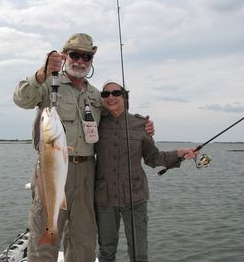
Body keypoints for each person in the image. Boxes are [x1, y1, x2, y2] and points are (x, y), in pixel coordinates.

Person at [13, 33, 154, 262]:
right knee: (44, 235)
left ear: (91, 62)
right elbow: (21, 99)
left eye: (86, 57)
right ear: (65, 56)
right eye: (75, 55)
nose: (80, 61)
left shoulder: (95, 95)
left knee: (84, 241)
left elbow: (117, 116)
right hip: (53, 167)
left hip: (88, 172)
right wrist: (42, 73)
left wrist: (143, 124)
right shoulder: (49, 84)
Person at [95, 81, 197, 262]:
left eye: (116, 93)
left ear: (125, 97)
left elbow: (153, 158)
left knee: (139, 254)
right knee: (106, 252)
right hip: (104, 198)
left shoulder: (142, 124)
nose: (111, 97)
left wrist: (179, 154)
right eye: (106, 94)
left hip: (135, 197)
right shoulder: (95, 123)